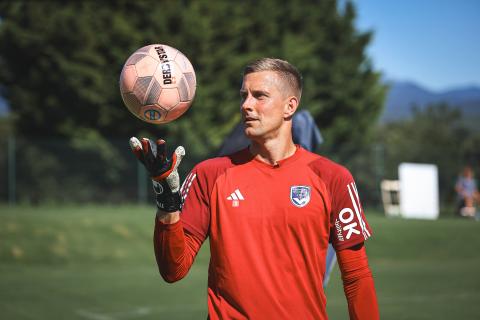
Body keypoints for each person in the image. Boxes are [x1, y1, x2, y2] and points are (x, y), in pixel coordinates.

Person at [129, 58, 379, 319]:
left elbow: (357, 277)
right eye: (244, 96)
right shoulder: (210, 174)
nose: (246, 105)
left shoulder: (333, 178)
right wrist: (168, 204)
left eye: (259, 96)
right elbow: (173, 270)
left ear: (289, 106)